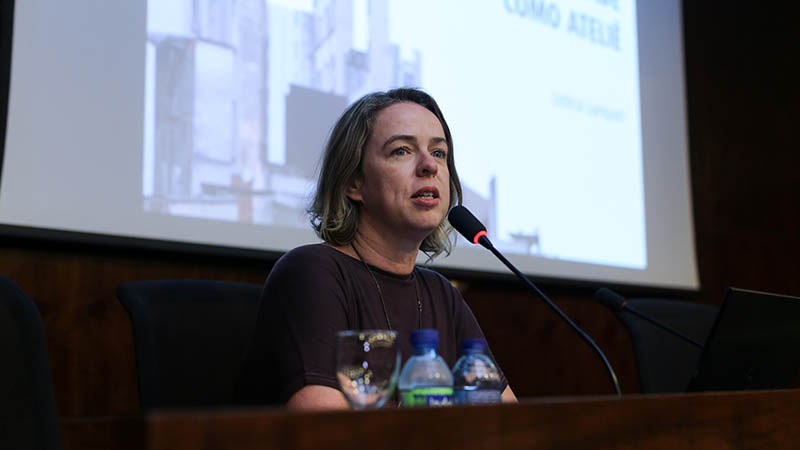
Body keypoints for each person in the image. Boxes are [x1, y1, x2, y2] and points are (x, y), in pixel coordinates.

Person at [238, 88, 517, 409]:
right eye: (402, 151)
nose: (430, 166)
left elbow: (509, 424)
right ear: (353, 182)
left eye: (439, 153)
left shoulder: (442, 295)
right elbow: (325, 432)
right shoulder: (312, 273)